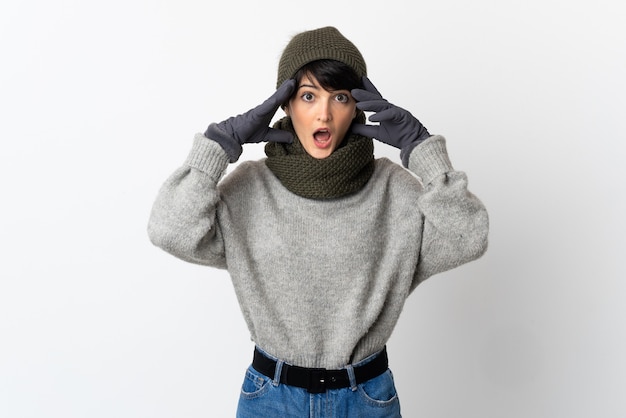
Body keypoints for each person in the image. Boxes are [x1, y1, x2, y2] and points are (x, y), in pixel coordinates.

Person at [148, 26, 488, 418]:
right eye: (308, 96)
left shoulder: (394, 191)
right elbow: (169, 230)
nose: (324, 113)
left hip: (365, 399)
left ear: (357, 107)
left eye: (339, 97)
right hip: (270, 400)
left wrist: (421, 148)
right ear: (286, 105)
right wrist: (218, 147)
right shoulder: (250, 187)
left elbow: (468, 237)